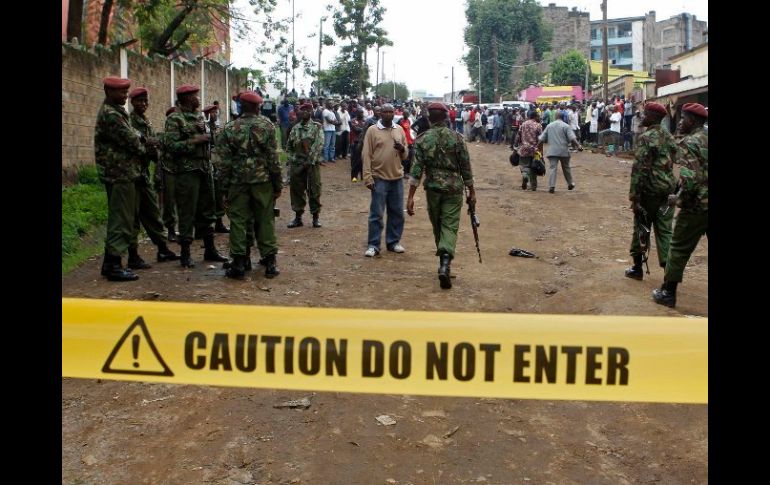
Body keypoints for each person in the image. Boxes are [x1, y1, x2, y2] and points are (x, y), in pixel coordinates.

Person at [407, 103, 475, 289]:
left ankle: (443, 263)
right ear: (446, 117)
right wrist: (472, 191)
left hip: (433, 189)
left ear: (429, 118)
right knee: (450, 225)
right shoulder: (457, 138)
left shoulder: (422, 139)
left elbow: (416, 170)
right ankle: (445, 263)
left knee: (438, 224)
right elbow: (466, 167)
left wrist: (410, 196)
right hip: (453, 188)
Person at [216, 91, 283, 279]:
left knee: (238, 221)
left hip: (238, 182)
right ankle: (270, 262)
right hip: (262, 182)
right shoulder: (267, 126)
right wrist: (277, 184)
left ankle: (239, 263)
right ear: (254, 107)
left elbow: (224, 162)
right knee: (265, 220)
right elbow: (273, 159)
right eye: (258, 105)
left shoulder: (230, 128)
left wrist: (223, 188)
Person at [164, 84, 228, 267]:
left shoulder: (200, 117)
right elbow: (170, 146)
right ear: (185, 99)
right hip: (187, 172)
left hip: (204, 168)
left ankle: (210, 250)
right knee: (187, 212)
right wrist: (194, 140)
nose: (198, 99)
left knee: (208, 210)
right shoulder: (175, 119)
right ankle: (185, 253)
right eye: (194, 96)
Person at [652, 103, 708, 307]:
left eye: (683, 118)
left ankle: (668, 292)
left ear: (692, 121)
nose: (680, 122)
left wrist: (679, 199)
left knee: (678, 248)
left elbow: (690, 177)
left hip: (697, 206)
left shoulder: (690, 142)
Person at [93, 77, 145, 281]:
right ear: (108, 91)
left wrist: (139, 138)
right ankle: (114, 265)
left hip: (120, 172)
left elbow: (133, 133)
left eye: (126, 92)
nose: (125, 96)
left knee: (121, 216)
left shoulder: (115, 111)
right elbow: (132, 140)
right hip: (119, 173)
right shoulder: (111, 114)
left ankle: (109, 263)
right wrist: (144, 145)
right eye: (121, 92)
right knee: (121, 219)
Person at [624, 102, 678, 280]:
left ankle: (637, 268)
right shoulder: (669, 137)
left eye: (645, 114)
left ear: (654, 117)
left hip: (649, 193)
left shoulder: (646, 138)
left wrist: (635, 197)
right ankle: (669, 276)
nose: (642, 117)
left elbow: (639, 170)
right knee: (665, 232)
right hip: (667, 191)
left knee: (641, 229)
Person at [127, 87, 179, 269]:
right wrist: (149, 148)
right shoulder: (130, 121)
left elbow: (152, 145)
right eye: (139, 101)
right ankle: (133, 255)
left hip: (142, 174)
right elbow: (133, 146)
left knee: (153, 213)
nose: (143, 104)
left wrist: (154, 150)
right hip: (130, 175)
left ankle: (162, 249)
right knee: (133, 217)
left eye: (145, 101)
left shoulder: (145, 121)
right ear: (132, 102)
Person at [362, 104, 408, 257]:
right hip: (379, 177)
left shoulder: (399, 129)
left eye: (391, 112)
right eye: (385, 112)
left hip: (397, 178)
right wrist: (367, 177)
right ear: (380, 113)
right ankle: (373, 245)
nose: (389, 114)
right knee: (376, 214)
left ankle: (393, 242)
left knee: (397, 213)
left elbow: (405, 155)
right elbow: (366, 154)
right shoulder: (372, 130)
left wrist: (402, 149)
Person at [286, 103, 325, 228]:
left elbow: (318, 145)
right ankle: (298, 217)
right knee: (296, 191)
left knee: (314, 190)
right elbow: (289, 147)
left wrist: (310, 161)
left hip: (312, 165)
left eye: (307, 110)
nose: (304, 112)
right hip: (297, 164)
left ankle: (315, 217)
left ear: (311, 112)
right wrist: (294, 159)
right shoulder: (295, 128)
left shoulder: (317, 127)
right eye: (302, 110)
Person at [538, 110, 582, 193]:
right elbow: (572, 138)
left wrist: (536, 147)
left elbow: (541, 139)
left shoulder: (549, 126)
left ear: (555, 117)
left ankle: (552, 186)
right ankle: (570, 183)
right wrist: (579, 146)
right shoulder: (566, 126)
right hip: (564, 151)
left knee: (553, 168)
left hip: (552, 151)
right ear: (563, 117)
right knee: (566, 168)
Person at [203, 104, 229, 233]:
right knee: (208, 195)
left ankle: (219, 222)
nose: (214, 115)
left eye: (215, 112)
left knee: (219, 194)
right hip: (207, 164)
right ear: (207, 114)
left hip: (218, 164)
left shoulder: (219, 129)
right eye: (212, 113)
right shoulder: (204, 128)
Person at [514, 110, 544, 191]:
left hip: (524, 149)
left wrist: (515, 146)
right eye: (538, 116)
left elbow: (518, 136)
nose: (539, 117)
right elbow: (541, 140)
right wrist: (541, 152)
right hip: (535, 150)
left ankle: (525, 176)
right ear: (535, 116)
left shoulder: (523, 124)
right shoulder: (538, 126)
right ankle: (533, 186)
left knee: (524, 165)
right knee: (534, 167)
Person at [349, 110, 367, 182]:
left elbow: (366, 130)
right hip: (355, 142)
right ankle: (354, 177)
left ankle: (363, 177)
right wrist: (364, 129)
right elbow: (356, 129)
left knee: (363, 160)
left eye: (362, 113)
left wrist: (363, 129)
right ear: (357, 113)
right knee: (355, 161)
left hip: (363, 142)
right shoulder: (353, 120)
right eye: (360, 113)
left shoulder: (364, 121)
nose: (362, 114)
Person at [398, 109, 415, 177]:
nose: (406, 115)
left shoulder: (408, 121)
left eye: (407, 114)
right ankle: (404, 172)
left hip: (409, 141)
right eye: (405, 114)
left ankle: (408, 172)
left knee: (411, 157)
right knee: (405, 158)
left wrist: (412, 139)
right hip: (403, 141)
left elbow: (409, 130)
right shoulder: (400, 121)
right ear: (403, 114)